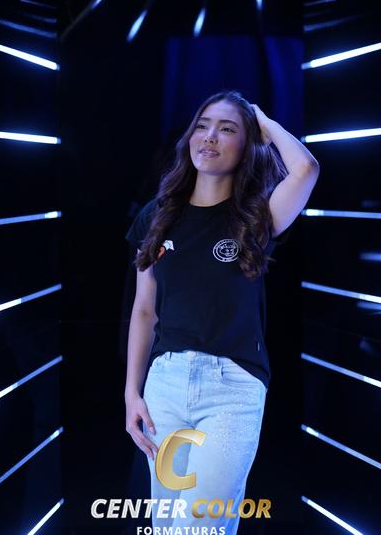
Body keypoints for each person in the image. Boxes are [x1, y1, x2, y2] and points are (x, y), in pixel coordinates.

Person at [124, 90, 320, 533]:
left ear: (247, 144)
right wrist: (132, 393)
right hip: (165, 386)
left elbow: (306, 169)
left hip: (231, 390)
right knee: (167, 526)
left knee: (201, 527)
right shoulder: (157, 216)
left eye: (227, 129)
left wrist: (262, 121)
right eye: (203, 125)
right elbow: (144, 310)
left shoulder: (256, 216)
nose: (210, 136)